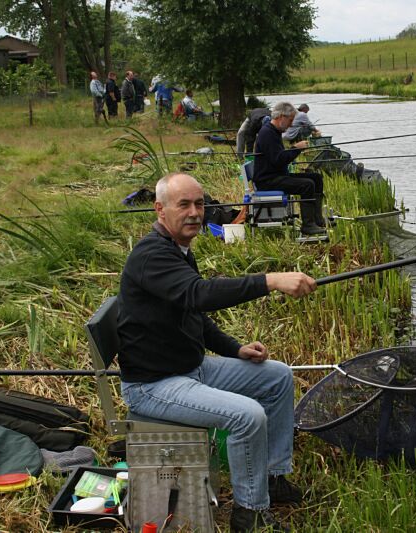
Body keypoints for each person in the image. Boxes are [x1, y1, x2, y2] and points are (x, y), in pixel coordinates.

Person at [118, 172, 316, 532]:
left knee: (277, 377)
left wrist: (234, 348)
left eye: (199, 203)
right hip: (153, 385)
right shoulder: (151, 256)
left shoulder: (178, 249)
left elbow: (193, 313)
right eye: (184, 205)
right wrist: (271, 280)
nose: (195, 213)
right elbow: (200, 295)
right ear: (160, 209)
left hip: (189, 368)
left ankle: (272, 476)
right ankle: (250, 514)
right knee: (248, 416)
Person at [252, 102, 326, 236]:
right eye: (290, 120)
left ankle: (317, 220)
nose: (291, 124)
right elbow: (278, 160)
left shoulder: (274, 132)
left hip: (276, 175)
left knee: (316, 178)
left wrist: (294, 150)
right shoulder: (267, 133)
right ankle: (308, 226)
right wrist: (296, 149)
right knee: (307, 185)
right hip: (267, 181)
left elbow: (278, 158)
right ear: (281, 117)